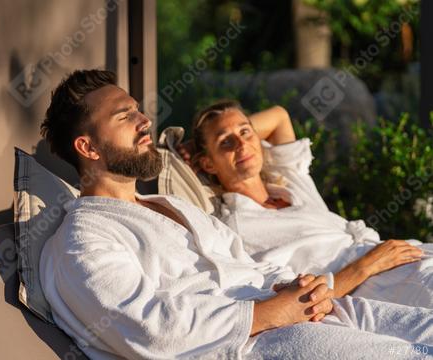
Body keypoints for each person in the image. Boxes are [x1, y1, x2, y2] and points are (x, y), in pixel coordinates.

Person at [39, 70, 433, 359]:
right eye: (125, 116)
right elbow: (146, 328)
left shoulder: (173, 208)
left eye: (139, 111)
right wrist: (263, 313)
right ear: (88, 148)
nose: (145, 121)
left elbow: (251, 267)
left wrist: (297, 287)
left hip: (297, 308)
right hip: (253, 342)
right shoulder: (83, 237)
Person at [186, 99, 433, 308]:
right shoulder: (236, 228)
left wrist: (212, 140)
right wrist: (366, 266)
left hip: (398, 256)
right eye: (225, 142)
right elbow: (293, 298)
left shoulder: (289, 181)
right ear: (207, 164)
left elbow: (279, 117)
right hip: (369, 285)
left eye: (245, 132)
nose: (241, 145)